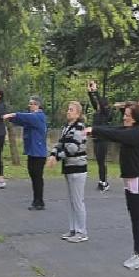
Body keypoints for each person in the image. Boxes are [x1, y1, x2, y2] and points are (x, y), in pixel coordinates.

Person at [87, 103, 139, 270]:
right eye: (124, 114)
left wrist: (95, 130)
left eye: (128, 115)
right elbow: (115, 130)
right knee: (134, 218)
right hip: (131, 180)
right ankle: (137, 252)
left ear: (135, 118)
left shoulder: (138, 133)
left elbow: (114, 134)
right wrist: (94, 130)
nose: (124, 117)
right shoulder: (131, 130)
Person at [47, 101, 88, 243]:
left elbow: (73, 148)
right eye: (68, 109)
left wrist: (57, 157)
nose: (68, 112)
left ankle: (82, 232)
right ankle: (73, 229)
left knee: (77, 201)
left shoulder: (79, 127)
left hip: (78, 168)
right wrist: (52, 154)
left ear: (78, 113)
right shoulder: (67, 127)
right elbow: (60, 143)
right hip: (69, 168)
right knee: (70, 200)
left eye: (71, 110)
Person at [2, 96, 48, 210]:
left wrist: (12, 115)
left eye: (32, 103)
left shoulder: (39, 116)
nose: (29, 105)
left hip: (38, 154)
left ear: (37, 105)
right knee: (34, 177)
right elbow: (22, 120)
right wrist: (11, 119)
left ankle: (39, 201)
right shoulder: (32, 117)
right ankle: (37, 200)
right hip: (32, 153)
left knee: (37, 178)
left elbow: (25, 117)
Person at [88, 81, 113, 191]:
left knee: (102, 161)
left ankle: (104, 181)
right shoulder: (98, 112)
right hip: (96, 139)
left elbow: (100, 104)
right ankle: (101, 180)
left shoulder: (105, 112)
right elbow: (94, 102)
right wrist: (90, 93)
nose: (97, 105)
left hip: (103, 139)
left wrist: (96, 91)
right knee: (99, 161)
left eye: (99, 104)